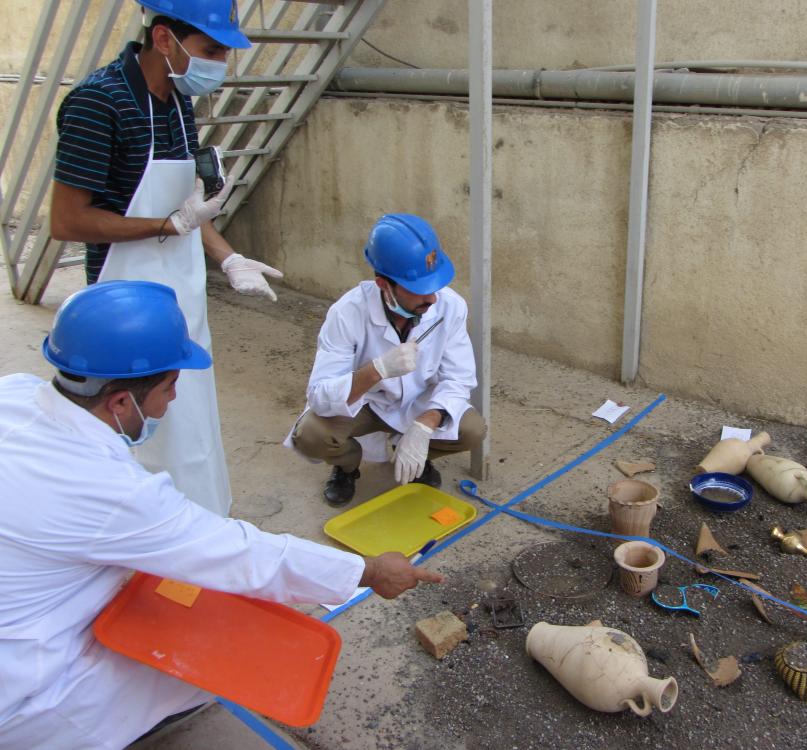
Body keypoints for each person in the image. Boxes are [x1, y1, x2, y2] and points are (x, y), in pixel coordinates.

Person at [0, 281, 441, 749]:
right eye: (169, 387)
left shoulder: (14, 394)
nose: (171, 401)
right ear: (121, 402)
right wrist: (369, 570)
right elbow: (241, 555)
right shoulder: (108, 494)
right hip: (22, 685)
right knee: (213, 658)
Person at [49, 0, 282, 516]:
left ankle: (198, 521)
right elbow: (67, 219)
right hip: (121, 297)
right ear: (163, 39)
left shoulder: (178, 101)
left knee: (191, 416)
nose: (220, 64)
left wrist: (228, 257)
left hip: (182, 290)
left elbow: (188, 209)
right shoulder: (99, 102)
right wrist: (165, 226)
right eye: (212, 50)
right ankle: (139, 533)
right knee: (136, 424)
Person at [287, 214, 486, 505]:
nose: (431, 299)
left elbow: (459, 378)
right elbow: (320, 395)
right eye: (419, 289)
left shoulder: (450, 306)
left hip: (418, 402)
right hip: (365, 404)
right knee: (311, 436)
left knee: (472, 430)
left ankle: (417, 456)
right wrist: (376, 371)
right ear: (383, 284)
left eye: (434, 284)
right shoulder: (347, 312)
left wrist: (423, 426)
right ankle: (347, 467)